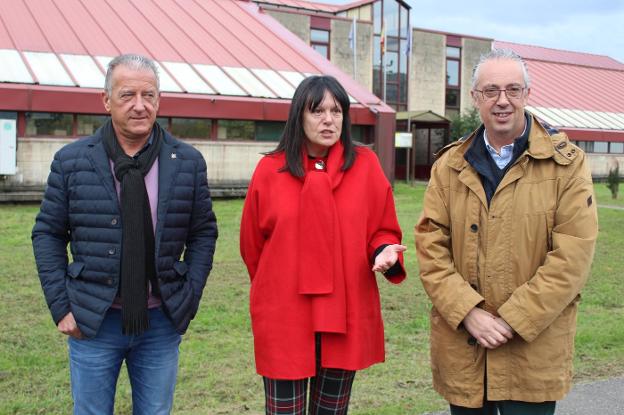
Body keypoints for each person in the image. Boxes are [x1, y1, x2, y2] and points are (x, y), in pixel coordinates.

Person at [415, 48, 598, 415]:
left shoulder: (567, 165)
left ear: (527, 95)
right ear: (475, 98)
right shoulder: (449, 166)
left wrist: (511, 320)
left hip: (531, 353)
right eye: (491, 91)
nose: (502, 101)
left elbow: (572, 258)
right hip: (465, 346)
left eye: (513, 90)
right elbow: (431, 246)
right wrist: (468, 313)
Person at [32, 54, 218, 414]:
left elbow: (203, 233)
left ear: (159, 100)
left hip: (160, 323)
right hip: (93, 321)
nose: (139, 105)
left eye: (148, 95)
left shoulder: (187, 162)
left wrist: (188, 296)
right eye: (127, 95)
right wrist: (61, 307)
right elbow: (48, 234)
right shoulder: (72, 161)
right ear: (106, 101)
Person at [240, 75, 406, 415]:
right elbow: (252, 247)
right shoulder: (270, 170)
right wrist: (279, 284)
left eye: (336, 110)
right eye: (317, 111)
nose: (328, 119)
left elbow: (382, 228)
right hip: (285, 315)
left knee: (332, 411)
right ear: (299, 115)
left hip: (345, 313)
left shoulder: (365, 166)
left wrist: (384, 249)